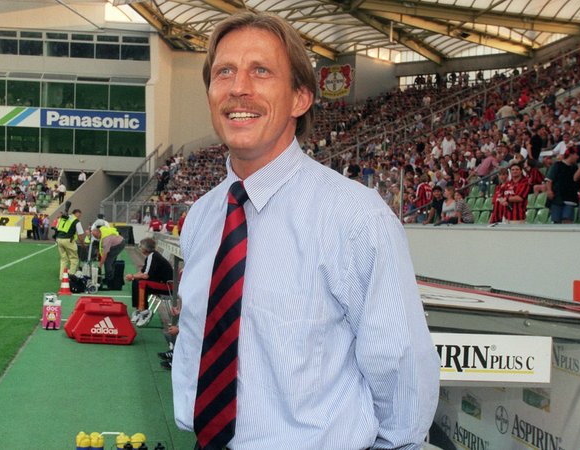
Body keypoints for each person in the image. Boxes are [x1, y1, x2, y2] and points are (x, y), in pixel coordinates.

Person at [172, 12, 438, 450]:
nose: (238, 87)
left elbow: (401, 377)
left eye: (261, 70)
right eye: (224, 72)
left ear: (300, 98)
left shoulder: (356, 219)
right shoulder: (201, 217)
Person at [125, 237, 174, 327]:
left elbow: (145, 276)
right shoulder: (151, 256)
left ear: (145, 248)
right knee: (136, 281)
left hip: (167, 286)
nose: (139, 248)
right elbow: (142, 272)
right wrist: (133, 277)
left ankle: (144, 311)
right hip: (161, 283)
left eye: (140, 246)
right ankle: (139, 309)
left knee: (142, 283)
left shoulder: (153, 256)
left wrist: (132, 276)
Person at [545, 147, 580, 224]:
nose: (577, 157)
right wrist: (549, 191)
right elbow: (549, 180)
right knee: (556, 221)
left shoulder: (575, 168)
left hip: (570, 198)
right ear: (571, 154)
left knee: (567, 219)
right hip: (557, 198)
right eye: (576, 154)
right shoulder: (557, 165)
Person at [91, 224, 126, 289]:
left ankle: (110, 281)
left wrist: (100, 265)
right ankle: (109, 277)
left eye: (96, 236)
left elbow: (105, 254)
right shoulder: (102, 230)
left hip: (119, 244)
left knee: (108, 261)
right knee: (111, 261)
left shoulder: (106, 240)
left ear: (99, 233)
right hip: (116, 242)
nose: (96, 238)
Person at [54, 209, 86, 276]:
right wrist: (83, 245)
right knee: (74, 258)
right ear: (76, 213)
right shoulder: (76, 221)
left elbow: (56, 228)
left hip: (59, 239)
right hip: (68, 240)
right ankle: (71, 276)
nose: (79, 217)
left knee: (64, 259)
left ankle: (62, 276)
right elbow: (80, 235)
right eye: (79, 215)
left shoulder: (62, 218)